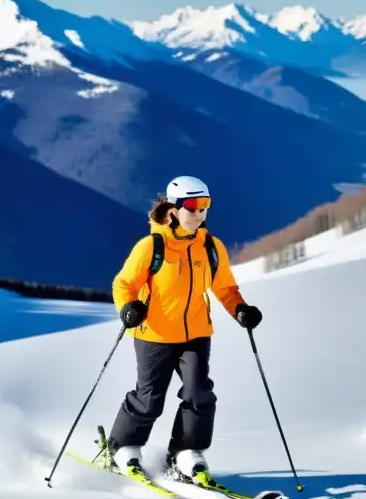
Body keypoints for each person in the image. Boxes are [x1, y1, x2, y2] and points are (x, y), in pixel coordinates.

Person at [103, 175, 263, 483]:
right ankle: (121, 449)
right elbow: (123, 283)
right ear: (173, 209)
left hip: (196, 335)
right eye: (193, 206)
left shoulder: (211, 248)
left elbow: (225, 287)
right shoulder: (151, 247)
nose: (200, 213)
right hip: (155, 334)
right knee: (149, 398)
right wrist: (128, 308)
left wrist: (240, 309)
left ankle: (185, 454)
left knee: (199, 393)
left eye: (206, 205)